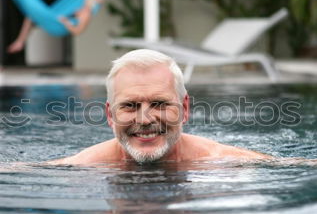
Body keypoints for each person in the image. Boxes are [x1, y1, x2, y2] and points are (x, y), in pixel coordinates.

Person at [50, 49, 282, 166]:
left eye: (159, 104)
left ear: (185, 108)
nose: (145, 119)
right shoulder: (83, 167)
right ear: (110, 115)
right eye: (130, 106)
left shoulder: (224, 162)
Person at [7, 0, 103, 54]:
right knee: (31, 17)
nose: (85, 0)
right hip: (58, 20)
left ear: (91, 2)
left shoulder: (87, 14)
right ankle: (21, 41)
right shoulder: (83, 9)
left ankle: (20, 42)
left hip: (59, 27)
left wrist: (66, 23)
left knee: (31, 16)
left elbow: (78, 31)